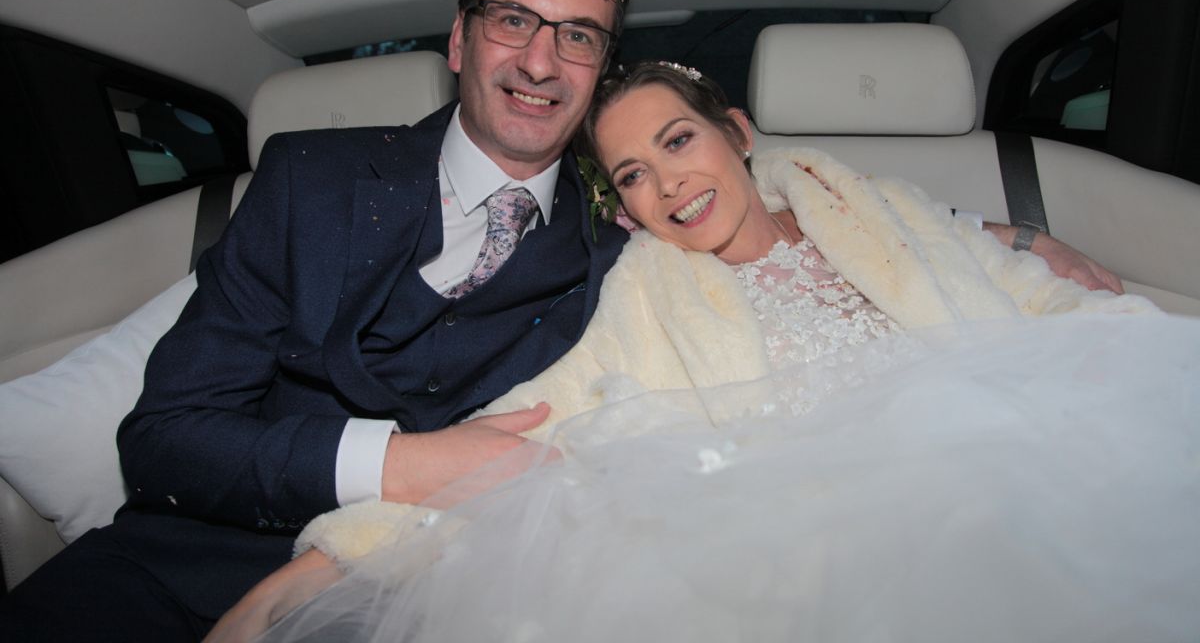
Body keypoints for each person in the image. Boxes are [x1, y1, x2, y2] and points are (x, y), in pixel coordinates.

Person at [208, 63, 1182, 642]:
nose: (668, 184)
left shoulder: (870, 208)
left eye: (679, 141)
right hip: (848, 549)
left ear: (738, 132)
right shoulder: (646, 301)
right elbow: (518, 443)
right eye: (633, 173)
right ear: (621, 206)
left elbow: (1030, 297)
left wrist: (1059, 269)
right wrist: (302, 580)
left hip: (1025, 465)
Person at [0, 0, 632, 640]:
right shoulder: (311, 181)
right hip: (173, 577)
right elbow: (164, 441)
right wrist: (397, 466)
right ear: (461, 38)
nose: (540, 61)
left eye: (578, 36)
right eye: (513, 19)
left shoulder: (620, 252)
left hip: (422, 609)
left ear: (600, 71)